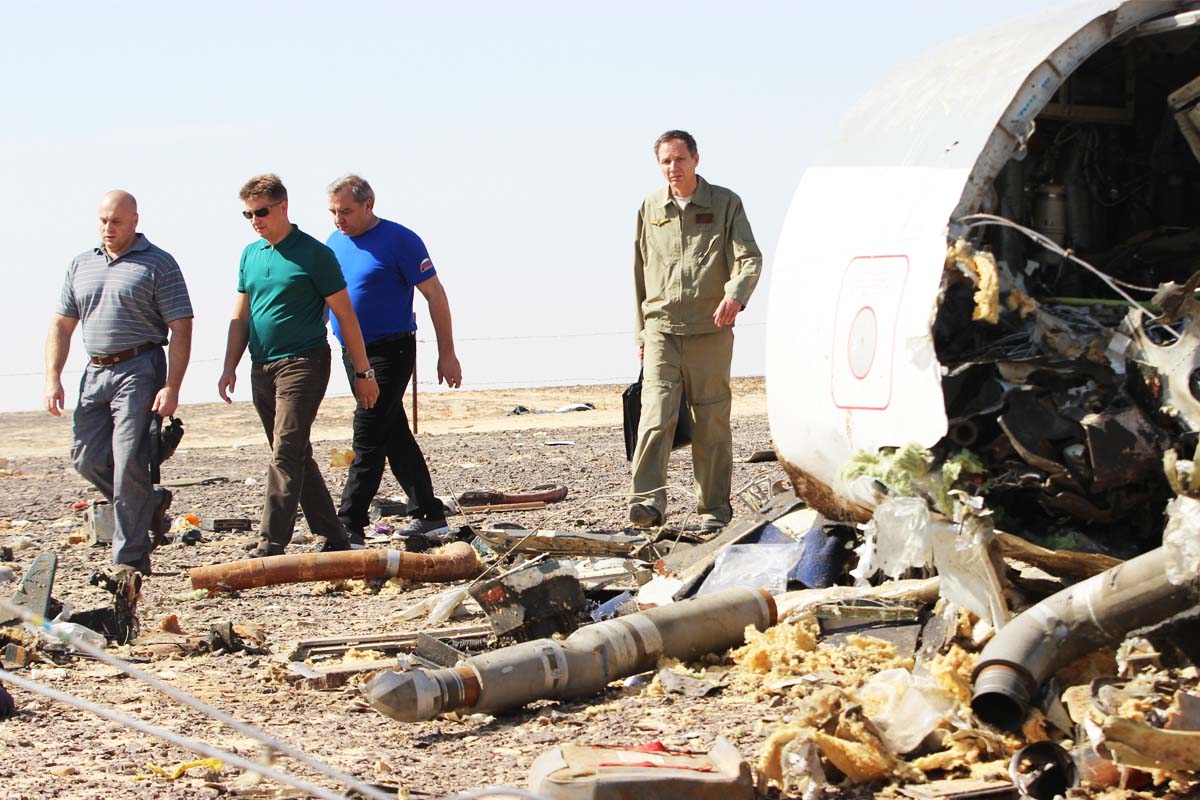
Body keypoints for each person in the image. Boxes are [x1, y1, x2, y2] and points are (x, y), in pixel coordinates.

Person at [218, 174, 380, 557]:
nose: (255, 220)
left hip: (303, 363)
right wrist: (230, 366)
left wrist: (364, 371)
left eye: (261, 212)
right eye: (248, 215)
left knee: (285, 451)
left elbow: (346, 314)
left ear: (283, 207)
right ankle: (334, 534)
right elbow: (240, 316)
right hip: (263, 366)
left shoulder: (314, 254)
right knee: (295, 452)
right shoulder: (250, 255)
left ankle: (271, 541)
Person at [44, 190, 193, 575]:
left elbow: (181, 327)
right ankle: (150, 502)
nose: (108, 229)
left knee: (129, 462)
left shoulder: (158, 264)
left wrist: (172, 386)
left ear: (135, 221)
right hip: (94, 372)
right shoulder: (81, 264)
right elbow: (62, 324)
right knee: (86, 458)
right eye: (103, 221)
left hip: (139, 367)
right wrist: (52, 377)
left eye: (117, 221)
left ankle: (129, 559)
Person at [628, 130, 762, 533]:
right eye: (666, 161)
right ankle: (646, 504)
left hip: (711, 331)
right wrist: (640, 334)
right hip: (661, 332)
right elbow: (639, 272)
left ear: (696, 159)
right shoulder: (650, 208)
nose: (674, 168)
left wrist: (736, 295)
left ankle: (713, 511)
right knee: (654, 416)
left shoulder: (725, 203)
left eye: (680, 159)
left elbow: (750, 258)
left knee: (711, 422)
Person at [325, 175, 462, 545]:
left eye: (347, 211)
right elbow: (327, 300)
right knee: (393, 433)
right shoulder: (333, 244)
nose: (340, 219)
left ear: (369, 205)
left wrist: (446, 353)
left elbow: (435, 294)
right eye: (334, 212)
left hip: (391, 349)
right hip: (352, 353)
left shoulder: (400, 240)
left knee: (368, 432)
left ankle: (348, 524)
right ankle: (429, 514)